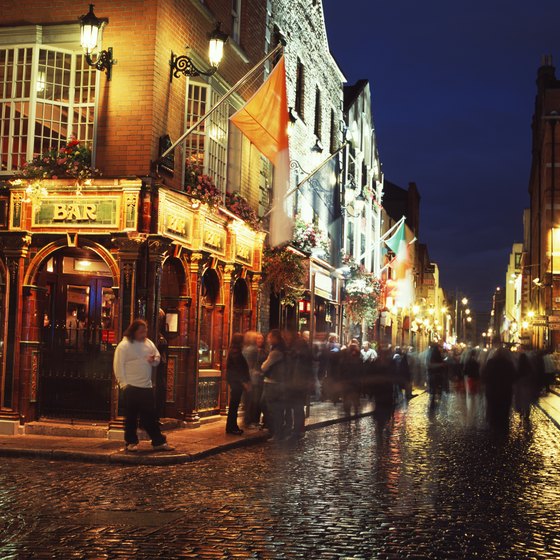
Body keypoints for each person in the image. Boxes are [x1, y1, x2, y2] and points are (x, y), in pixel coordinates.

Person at [113, 319, 174, 452]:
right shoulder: (124, 346)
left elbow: (157, 357)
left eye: (145, 331)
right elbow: (118, 366)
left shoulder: (149, 343)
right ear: (134, 332)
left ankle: (158, 441)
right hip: (131, 386)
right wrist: (124, 384)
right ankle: (131, 442)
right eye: (141, 332)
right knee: (131, 417)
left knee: (150, 416)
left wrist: (154, 360)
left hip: (146, 386)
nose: (144, 334)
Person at [261, 329, 288, 439]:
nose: (268, 339)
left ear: (275, 338)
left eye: (270, 337)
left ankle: (276, 432)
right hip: (274, 382)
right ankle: (276, 430)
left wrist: (264, 364)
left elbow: (264, 366)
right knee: (268, 405)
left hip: (273, 383)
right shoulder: (278, 349)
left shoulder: (276, 352)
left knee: (273, 408)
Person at [287, 331, 314, 438]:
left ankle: (298, 429)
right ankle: (298, 429)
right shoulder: (304, 355)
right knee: (298, 407)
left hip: (298, 384)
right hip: (299, 384)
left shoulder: (299, 357)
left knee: (297, 407)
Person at [225, 333, 251, 435]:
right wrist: (244, 382)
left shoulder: (234, 351)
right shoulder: (236, 352)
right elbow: (239, 369)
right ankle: (232, 427)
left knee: (234, 405)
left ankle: (231, 426)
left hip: (235, 382)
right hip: (237, 383)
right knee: (234, 406)